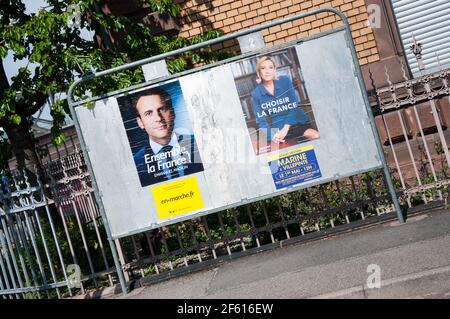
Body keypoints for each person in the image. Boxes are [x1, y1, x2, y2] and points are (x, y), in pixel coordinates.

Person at [132, 86, 203, 187]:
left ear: (173, 112)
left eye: (162, 109)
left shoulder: (199, 143)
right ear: (140, 122)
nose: (158, 118)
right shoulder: (136, 163)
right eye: (148, 113)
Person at [251, 56, 319, 145]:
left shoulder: (284, 81)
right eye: (263, 68)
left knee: (316, 136)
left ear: (274, 70)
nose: (267, 71)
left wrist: (286, 128)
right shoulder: (256, 94)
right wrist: (272, 136)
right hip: (279, 129)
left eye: (270, 67)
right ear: (258, 72)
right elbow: (261, 120)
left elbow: (294, 106)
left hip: (296, 122)